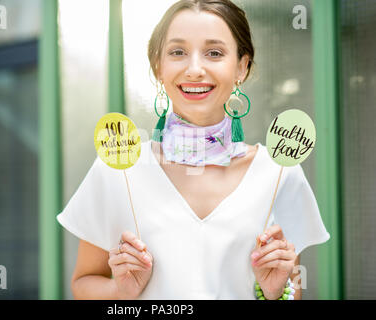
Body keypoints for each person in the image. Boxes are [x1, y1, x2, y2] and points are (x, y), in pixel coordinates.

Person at [57, 0, 330, 300]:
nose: (195, 69)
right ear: (157, 66)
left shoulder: (279, 172)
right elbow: (83, 284)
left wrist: (276, 291)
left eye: (214, 53)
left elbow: (292, 291)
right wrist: (120, 291)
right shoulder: (118, 168)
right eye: (178, 52)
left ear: (242, 66)